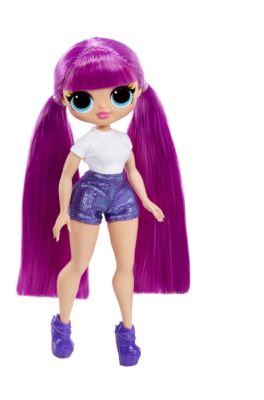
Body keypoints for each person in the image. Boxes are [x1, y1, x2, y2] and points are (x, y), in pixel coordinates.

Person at [16, 37, 190, 366]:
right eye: (83, 100)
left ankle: (127, 331)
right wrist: (63, 211)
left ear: (137, 91)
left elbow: (133, 171)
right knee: (78, 264)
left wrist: (146, 200)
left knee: (125, 267)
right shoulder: (85, 141)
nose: (102, 107)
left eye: (119, 94)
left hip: (123, 197)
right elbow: (66, 176)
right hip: (88, 196)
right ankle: (62, 325)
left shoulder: (124, 140)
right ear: (66, 99)